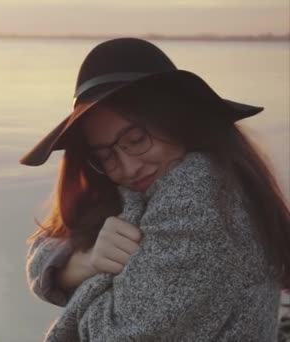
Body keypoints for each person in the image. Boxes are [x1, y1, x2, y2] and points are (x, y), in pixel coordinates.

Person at [20, 37, 290, 341]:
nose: (127, 167)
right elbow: (43, 246)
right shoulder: (154, 188)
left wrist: (91, 279)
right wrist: (86, 260)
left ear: (176, 121)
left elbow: (108, 335)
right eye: (105, 155)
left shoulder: (197, 192)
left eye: (136, 140)